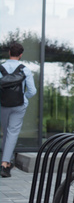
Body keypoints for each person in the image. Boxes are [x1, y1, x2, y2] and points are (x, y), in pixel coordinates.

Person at [1, 42, 37, 178]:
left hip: (3, 105)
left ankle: (7, 163)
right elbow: (32, 91)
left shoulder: (1, 67)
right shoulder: (25, 69)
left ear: (9, 52)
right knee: (12, 133)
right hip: (18, 106)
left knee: (7, 132)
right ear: (21, 55)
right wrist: (23, 97)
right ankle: (5, 164)